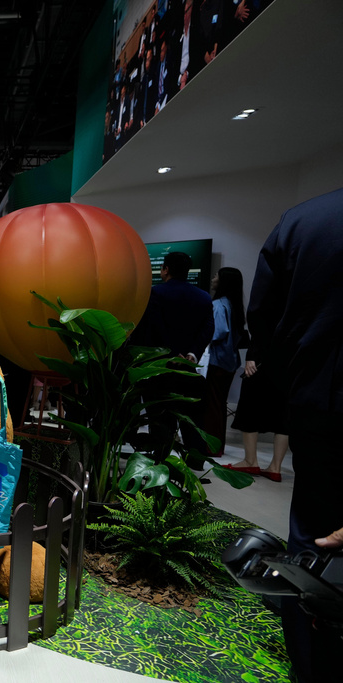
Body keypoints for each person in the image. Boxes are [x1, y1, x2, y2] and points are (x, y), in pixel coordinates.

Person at [246, 187, 343, 683]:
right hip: (314, 400)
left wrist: (296, 377)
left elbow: (262, 316)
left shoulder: (304, 220)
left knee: (311, 538)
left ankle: (311, 662)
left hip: (318, 404)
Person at [133, 251, 214, 463]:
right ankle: (195, 464)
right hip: (187, 367)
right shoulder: (204, 298)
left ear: (166, 269)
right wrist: (191, 353)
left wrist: (169, 351)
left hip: (159, 369)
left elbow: (149, 329)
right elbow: (207, 330)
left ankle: (160, 463)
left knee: (160, 420)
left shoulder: (154, 294)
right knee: (192, 420)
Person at [200, 267, 245, 456]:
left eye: (216, 275)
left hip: (216, 362)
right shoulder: (234, 305)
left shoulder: (218, 305)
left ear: (223, 281)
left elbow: (216, 333)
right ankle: (216, 446)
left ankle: (210, 447)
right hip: (230, 363)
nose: (213, 278)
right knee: (219, 405)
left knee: (211, 405)